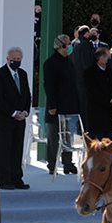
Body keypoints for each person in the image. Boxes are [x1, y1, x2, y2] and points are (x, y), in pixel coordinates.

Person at [0, 47, 31, 190]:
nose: (16, 62)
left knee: (17, 149)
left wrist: (25, 111)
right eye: (13, 60)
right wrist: (14, 113)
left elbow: (27, 95)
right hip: (3, 119)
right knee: (3, 150)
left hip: (20, 120)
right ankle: (4, 180)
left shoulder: (23, 74)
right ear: (7, 59)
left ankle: (17, 178)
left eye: (18, 60)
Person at [43, 34, 80, 175]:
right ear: (59, 46)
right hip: (56, 106)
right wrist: (52, 105)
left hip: (69, 105)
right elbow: (49, 86)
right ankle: (52, 164)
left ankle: (68, 163)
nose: (68, 47)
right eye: (66, 45)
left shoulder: (69, 62)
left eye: (69, 44)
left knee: (68, 135)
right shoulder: (50, 63)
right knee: (53, 137)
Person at [84, 46, 112, 139]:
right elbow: (92, 92)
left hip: (110, 115)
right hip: (96, 114)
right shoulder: (90, 72)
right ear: (101, 57)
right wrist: (107, 102)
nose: (109, 58)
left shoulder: (109, 70)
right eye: (107, 56)